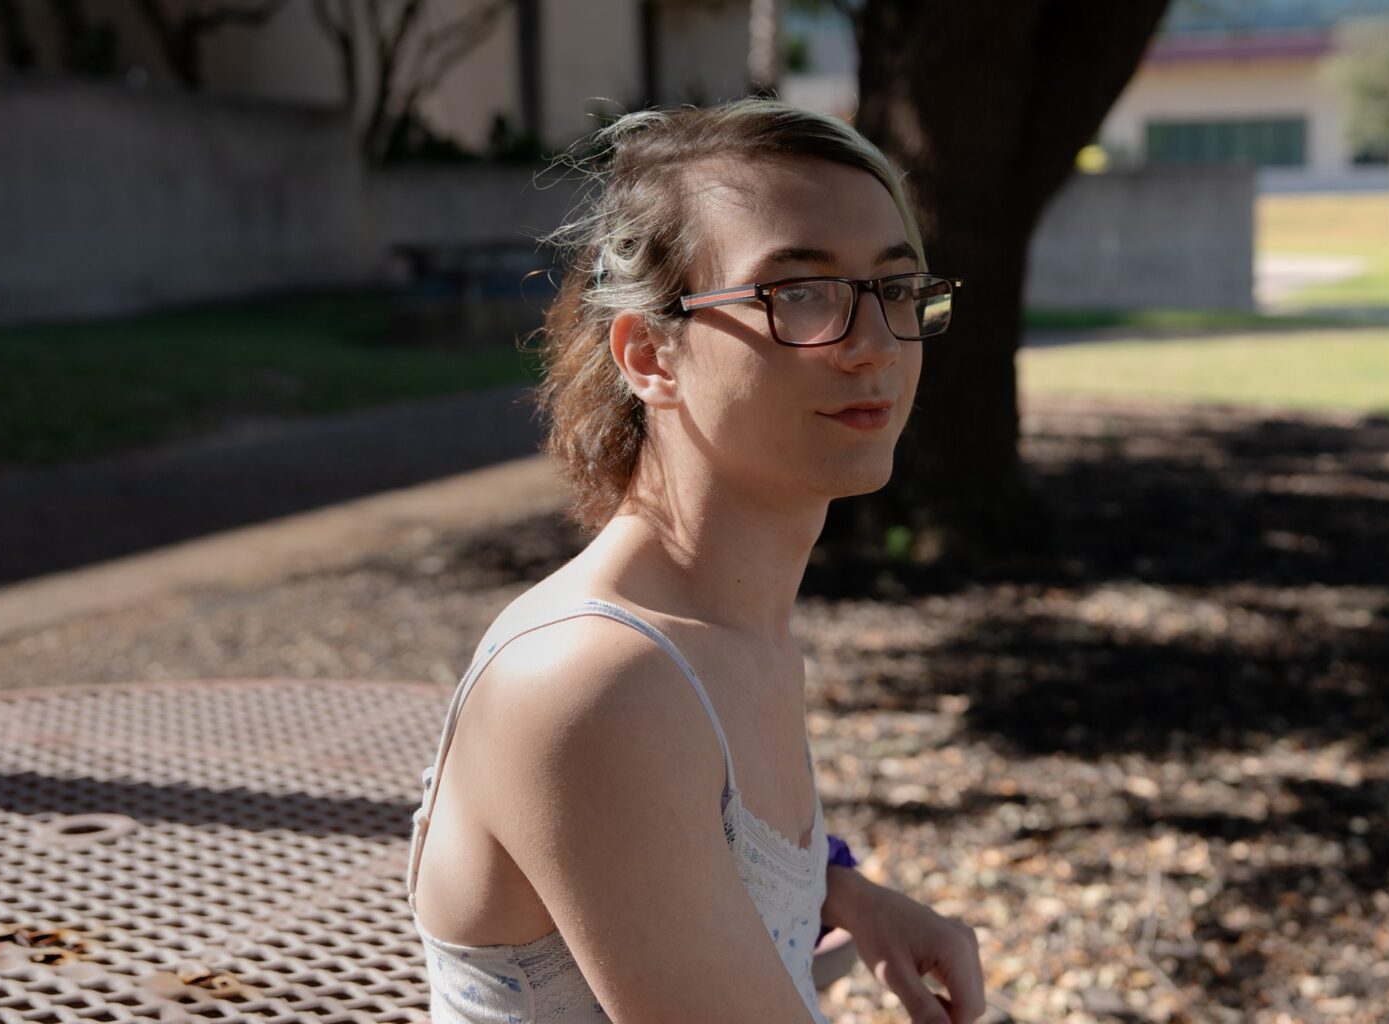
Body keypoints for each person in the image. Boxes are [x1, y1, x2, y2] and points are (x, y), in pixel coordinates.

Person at [405, 99, 985, 1024]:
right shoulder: (597, 685)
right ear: (649, 354)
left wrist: (842, 890)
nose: (875, 344)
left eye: (895, 288)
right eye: (800, 293)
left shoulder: (728, 627)